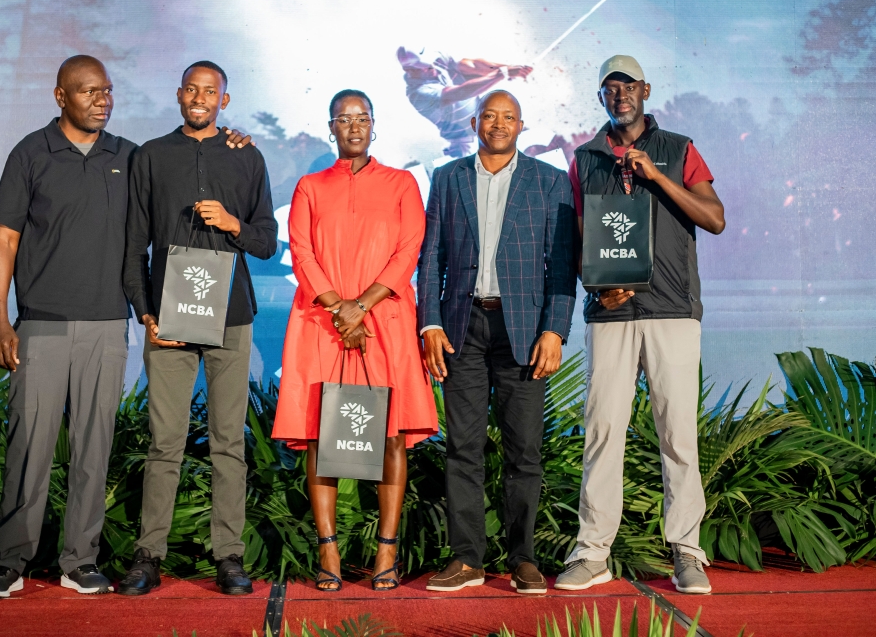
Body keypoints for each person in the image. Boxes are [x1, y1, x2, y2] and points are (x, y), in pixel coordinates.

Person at [555, 55, 725, 595]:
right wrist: (596, 285)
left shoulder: (678, 149)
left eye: (627, 85)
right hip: (611, 313)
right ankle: (593, 551)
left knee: (678, 434)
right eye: (609, 87)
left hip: (672, 308)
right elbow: (578, 239)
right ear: (601, 98)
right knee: (603, 430)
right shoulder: (585, 159)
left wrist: (657, 177)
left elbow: (715, 218)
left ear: (645, 90)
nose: (618, 94)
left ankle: (687, 553)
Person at [0, 56, 134, 598]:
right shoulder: (31, 152)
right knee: (30, 444)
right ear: (60, 96)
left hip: (108, 324)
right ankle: (10, 559)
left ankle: (80, 559)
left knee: (94, 445)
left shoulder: (129, 157)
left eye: (107, 91)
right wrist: (0, 315)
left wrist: (230, 143)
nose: (101, 100)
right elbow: (5, 240)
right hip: (40, 324)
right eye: (89, 91)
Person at [119, 61, 277, 596]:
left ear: (224, 101)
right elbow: (133, 243)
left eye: (211, 91)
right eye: (192, 88)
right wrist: (146, 312)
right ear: (180, 94)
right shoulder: (151, 156)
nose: (200, 97)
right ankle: (148, 555)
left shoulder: (247, 155)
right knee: (165, 442)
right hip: (170, 319)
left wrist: (233, 223)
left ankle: (229, 557)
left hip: (231, 316)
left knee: (228, 443)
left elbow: (266, 241)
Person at [272, 89, 438, 592]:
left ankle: (385, 552)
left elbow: (409, 249)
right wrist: (339, 308)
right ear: (331, 128)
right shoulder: (309, 187)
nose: (354, 126)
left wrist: (360, 306)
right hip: (322, 324)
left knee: (390, 433)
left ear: (373, 125)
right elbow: (301, 252)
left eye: (362, 117)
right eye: (344, 119)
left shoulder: (402, 183)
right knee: (322, 436)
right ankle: (330, 554)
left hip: (382, 323)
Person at [417, 90, 576, 594]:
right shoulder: (448, 178)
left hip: (525, 332)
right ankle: (467, 559)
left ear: (522, 125)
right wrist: (430, 323)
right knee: (463, 448)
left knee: (524, 451)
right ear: (474, 122)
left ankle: (522, 559)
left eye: (509, 117)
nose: (499, 124)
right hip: (462, 328)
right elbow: (431, 258)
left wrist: (555, 329)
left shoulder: (549, 182)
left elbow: (562, 265)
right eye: (491, 116)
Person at [397, 47, 533, 158]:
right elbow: (461, 92)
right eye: (426, 67)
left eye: (431, 63)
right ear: (409, 70)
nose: (432, 66)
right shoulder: (417, 94)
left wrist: (509, 68)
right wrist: (502, 73)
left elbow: (473, 65)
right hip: (465, 144)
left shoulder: (436, 58)